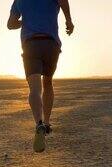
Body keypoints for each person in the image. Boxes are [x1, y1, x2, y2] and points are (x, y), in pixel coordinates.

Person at [7, 0, 74, 153]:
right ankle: (48, 122)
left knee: (35, 88)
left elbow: (10, 24)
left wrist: (26, 21)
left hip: (31, 44)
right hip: (51, 44)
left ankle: (39, 123)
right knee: (48, 82)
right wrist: (68, 20)